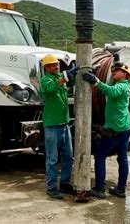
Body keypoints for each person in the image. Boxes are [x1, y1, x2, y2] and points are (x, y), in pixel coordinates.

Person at [83, 61, 130, 199]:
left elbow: (111, 91)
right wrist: (98, 72)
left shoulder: (121, 86)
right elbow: (110, 87)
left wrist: (96, 81)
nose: (114, 72)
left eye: (117, 71)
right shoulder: (126, 85)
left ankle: (99, 189)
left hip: (114, 129)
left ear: (125, 74)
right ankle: (121, 189)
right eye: (113, 70)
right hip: (125, 128)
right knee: (122, 158)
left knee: (100, 156)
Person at [40, 54, 78, 199]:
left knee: (68, 156)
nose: (57, 66)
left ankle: (64, 183)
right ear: (46, 68)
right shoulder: (46, 80)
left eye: (57, 64)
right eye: (53, 65)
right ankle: (51, 187)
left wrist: (74, 75)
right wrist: (65, 77)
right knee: (52, 158)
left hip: (64, 123)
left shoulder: (58, 78)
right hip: (52, 125)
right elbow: (50, 89)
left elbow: (68, 83)